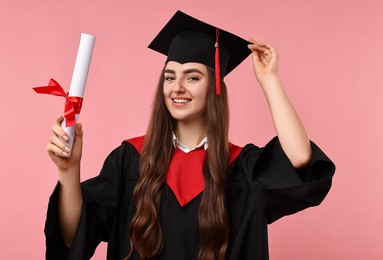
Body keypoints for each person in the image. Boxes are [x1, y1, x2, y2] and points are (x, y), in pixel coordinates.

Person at [44, 10, 335, 260]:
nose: (177, 87)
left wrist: (269, 80)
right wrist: (68, 170)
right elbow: (72, 237)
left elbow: (299, 158)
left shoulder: (241, 168)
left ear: (215, 88)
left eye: (193, 77)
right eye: (170, 77)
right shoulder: (130, 160)